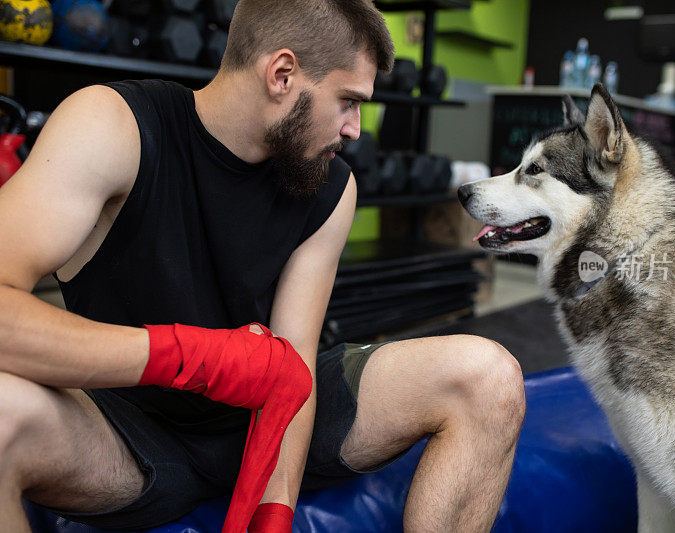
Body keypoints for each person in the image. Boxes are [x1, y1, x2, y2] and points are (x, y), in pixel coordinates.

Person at [0, 0, 526, 531]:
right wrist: (189, 357)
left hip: (268, 427)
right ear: (282, 74)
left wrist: (274, 508)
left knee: (488, 378)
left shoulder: (330, 188)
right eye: (347, 101)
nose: (355, 130)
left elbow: (293, 360)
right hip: (128, 432)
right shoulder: (114, 127)